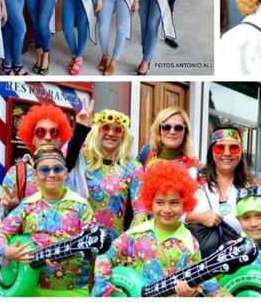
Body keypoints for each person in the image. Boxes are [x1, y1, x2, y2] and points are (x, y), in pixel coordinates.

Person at [92, 161, 228, 297]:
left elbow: (200, 283)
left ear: (185, 203)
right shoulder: (135, 234)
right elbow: (105, 255)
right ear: (150, 201)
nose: (167, 210)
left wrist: (190, 294)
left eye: (174, 203)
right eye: (160, 202)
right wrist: (103, 283)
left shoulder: (190, 244)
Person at [0, 146, 94, 296]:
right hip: (30, 288)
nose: (51, 174)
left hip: (73, 291)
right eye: (44, 170)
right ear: (35, 174)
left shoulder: (81, 206)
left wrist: (68, 261)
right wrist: (7, 251)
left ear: (65, 173)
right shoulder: (26, 206)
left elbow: (94, 252)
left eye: (57, 169)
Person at [63, 109, 145, 239]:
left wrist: (126, 242)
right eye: (106, 128)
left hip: (113, 246)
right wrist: (82, 128)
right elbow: (64, 165)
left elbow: (140, 211)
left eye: (117, 130)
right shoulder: (83, 160)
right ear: (97, 132)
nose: (111, 133)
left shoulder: (133, 168)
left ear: (124, 136)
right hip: (79, 242)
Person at [0, 104, 73, 225]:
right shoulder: (17, 172)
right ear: (32, 138)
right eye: (40, 132)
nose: (48, 137)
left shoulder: (70, 173)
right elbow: (1, 226)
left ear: (60, 139)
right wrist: (10, 209)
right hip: (27, 243)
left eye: (54, 132)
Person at [188, 127, 251, 233]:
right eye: (220, 148)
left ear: (241, 153)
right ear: (211, 152)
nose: (227, 153)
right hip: (196, 248)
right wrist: (197, 217)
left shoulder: (251, 187)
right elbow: (172, 213)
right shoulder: (193, 178)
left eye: (234, 148)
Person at [137, 107, 199, 178]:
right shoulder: (146, 152)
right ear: (158, 130)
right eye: (166, 127)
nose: (172, 132)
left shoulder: (193, 167)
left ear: (185, 132)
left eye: (178, 128)